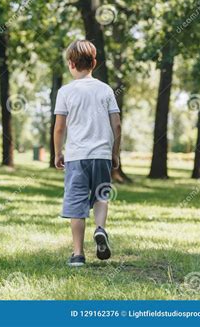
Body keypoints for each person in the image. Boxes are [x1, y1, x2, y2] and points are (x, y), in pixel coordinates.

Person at [54, 40, 121, 267]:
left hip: (76, 156)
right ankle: (100, 229)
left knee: (77, 204)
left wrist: (57, 152)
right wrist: (115, 152)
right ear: (94, 63)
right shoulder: (105, 90)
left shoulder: (66, 92)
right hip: (102, 154)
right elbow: (117, 125)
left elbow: (60, 127)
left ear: (71, 64)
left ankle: (78, 254)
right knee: (102, 195)